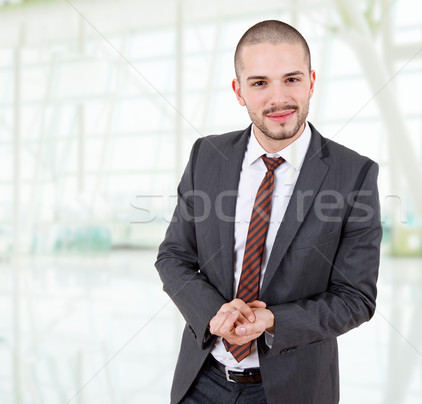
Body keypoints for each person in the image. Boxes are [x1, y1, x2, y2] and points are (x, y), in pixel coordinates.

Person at [156, 19, 382, 404]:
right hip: (201, 381)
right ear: (239, 91)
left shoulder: (354, 174)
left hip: (293, 389)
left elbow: (356, 298)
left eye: (291, 79)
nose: (278, 99)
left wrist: (274, 320)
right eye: (260, 82)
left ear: (311, 81)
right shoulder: (205, 157)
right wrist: (214, 314)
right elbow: (174, 256)